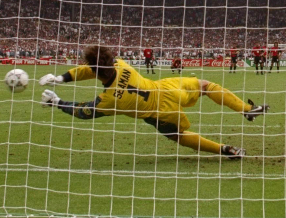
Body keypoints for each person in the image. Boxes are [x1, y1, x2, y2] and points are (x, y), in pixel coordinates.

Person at [39, 45, 267, 159]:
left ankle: (225, 150)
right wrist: (62, 78)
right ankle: (247, 109)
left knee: (177, 136)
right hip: (167, 87)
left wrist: (58, 100)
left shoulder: (108, 101)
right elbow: (96, 68)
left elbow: (83, 112)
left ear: (95, 72)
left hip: (158, 112)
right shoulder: (121, 65)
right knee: (206, 86)